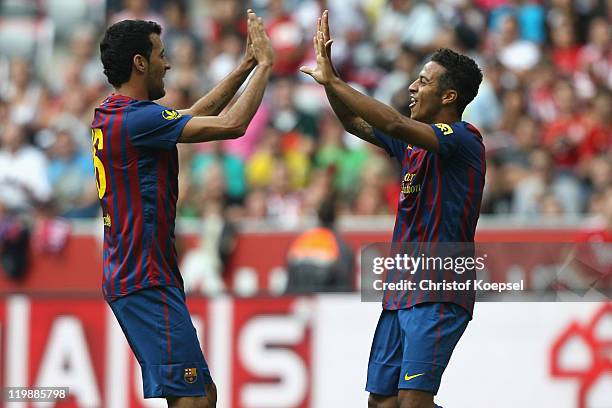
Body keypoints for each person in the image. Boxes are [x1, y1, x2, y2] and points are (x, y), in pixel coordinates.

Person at [301, 11, 485, 408]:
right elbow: (353, 122)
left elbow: (394, 123)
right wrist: (328, 75)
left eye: (423, 81)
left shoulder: (464, 139)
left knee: (412, 402)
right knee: (381, 403)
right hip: (400, 290)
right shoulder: (412, 146)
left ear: (449, 96)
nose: (413, 87)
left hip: (437, 288)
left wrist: (334, 80)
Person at [92, 11, 274, 408]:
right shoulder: (138, 120)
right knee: (192, 399)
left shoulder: (117, 114)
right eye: (160, 53)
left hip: (142, 274)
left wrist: (244, 65)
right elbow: (232, 125)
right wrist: (265, 67)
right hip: (144, 278)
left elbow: (193, 116)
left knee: (202, 393)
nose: (168, 62)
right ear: (140, 62)